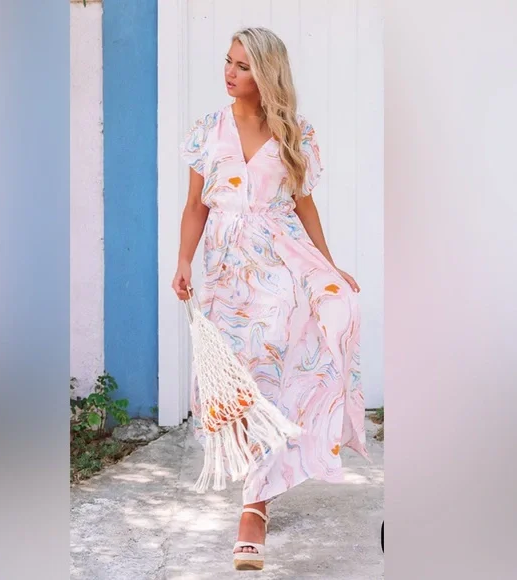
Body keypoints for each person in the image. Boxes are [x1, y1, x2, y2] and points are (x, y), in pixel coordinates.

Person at [172, 26, 368, 571]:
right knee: (240, 379)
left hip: (282, 258)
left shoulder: (294, 132)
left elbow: (304, 205)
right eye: (227, 62)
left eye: (243, 66)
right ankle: (261, 482)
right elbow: (196, 206)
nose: (229, 73)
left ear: (266, 74)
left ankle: (253, 509)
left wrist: (328, 264)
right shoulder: (207, 130)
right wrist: (184, 261)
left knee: (319, 325)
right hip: (226, 268)